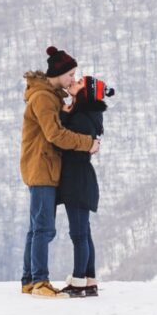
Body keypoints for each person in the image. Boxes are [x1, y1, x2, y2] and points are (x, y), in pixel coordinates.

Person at [18, 45, 97, 297]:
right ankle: (39, 281)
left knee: (36, 227)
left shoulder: (49, 97)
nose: (73, 79)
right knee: (43, 228)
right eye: (70, 75)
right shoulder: (43, 98)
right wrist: (88, 143)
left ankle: (30, 281)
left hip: (43, 166)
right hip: (42, 167)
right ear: (59, 74)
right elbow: (54, 135)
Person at [54, 73, 109, 298]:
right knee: (83, 232)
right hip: (81, 178)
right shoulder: (87, 114)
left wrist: (62, 117)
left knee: (78, 233)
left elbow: (64, 141)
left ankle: (79, 282)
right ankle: (90, 280)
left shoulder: (82, 117)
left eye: (79, 83)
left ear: (85, 93)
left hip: (77, 179)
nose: (74, 83)